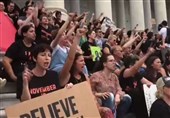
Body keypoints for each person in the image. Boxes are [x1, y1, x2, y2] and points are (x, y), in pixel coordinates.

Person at [90, 54, 132, 118]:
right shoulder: (95, 76)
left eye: (114, 61)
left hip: (115, 101)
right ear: (104, 64)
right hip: (101, 101)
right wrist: (99, 94)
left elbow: (119, 89)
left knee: (127, 98)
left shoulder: (114, 76)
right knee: (110, 96)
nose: (114, 63)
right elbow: (89, 92)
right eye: (111, 61)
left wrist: (118, 95)